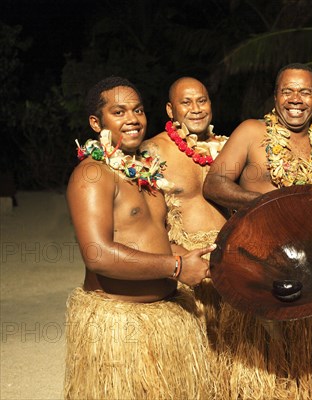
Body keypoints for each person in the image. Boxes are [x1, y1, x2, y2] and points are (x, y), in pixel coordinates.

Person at [63, 76, 216, 399]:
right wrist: (175, 267)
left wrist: (193, 257)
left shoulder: (145, 174)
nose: (132, 119)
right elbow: (97, 254)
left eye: (138, 110)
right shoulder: (93, 175)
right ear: (96, 122)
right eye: (119, 112)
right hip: (121, 330)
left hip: (167, 319)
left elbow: (153, 240)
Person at [203, 63, 312, 398]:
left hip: (303, 271)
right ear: (275, 96)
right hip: (252, 261)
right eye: (287, 90)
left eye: (304, 92)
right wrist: (268, 202)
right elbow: (214, 184)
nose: (295, 98)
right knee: (258, 365)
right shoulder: (251, 132)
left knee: (303, 365)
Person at [140, 76, 228, 398]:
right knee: (191, 376)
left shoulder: (227, 147)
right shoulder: (152, 151)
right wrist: (177, 260)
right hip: (185, 273)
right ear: (170, 109)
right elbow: (146, 222)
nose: (196, 109)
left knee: (231, 367)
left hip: (228, 268)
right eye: (186, 102)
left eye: (202, 100)